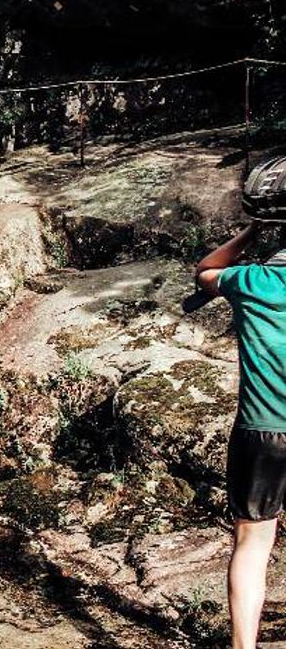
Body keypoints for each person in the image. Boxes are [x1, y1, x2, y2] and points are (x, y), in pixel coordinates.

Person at [196, 219, 286, 649]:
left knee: (252, 544)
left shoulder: (252, 280)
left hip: (261, 432)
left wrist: (253, 230)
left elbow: (205, 271)